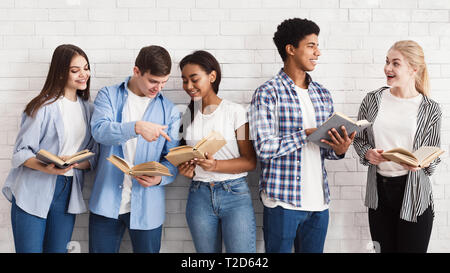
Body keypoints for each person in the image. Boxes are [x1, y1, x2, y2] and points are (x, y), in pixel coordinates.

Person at [248, 18, 354, 253]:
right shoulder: (267, 93)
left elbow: (326, 150)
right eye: (311, 45)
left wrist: (340, 149)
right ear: (291, 49)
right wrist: (304, 134)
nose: (318, 52)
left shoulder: (322, 94)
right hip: (282, 202)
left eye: (317, 46)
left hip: (319, 203)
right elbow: (263, 148)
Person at [2, 44, 97, 253]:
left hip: (67, 190)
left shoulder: (89, 109)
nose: (84, 74)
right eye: (75, 70)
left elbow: (93, 155)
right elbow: (21, 152)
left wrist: (73, 163)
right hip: (34, 187)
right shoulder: (42, 106)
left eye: (86, 68)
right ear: (61, 73)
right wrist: (48, 167)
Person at [88, 45, 180, 253]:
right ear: (136, 71)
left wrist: (160, 178)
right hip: (106, 203)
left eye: (163, 82)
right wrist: (136, 127)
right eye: (153, 81)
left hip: (148, 208)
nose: (158, 88)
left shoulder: (170, 111)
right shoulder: (108, 95)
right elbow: (99, 131)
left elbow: (172, 159)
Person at [353, 40, 441, 253]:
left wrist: (421, 164)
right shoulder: (372, 100)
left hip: (414, 195)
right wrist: (368, 154)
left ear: (413, 69)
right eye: (386, 62)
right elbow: (359, 138)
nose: (388, 68)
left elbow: (434, 156)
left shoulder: (430, 109)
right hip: (379, 194)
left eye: (395, 63)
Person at [177, 50, 257, 253]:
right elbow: (185, 157)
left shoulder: (235, 112)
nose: (188, 86)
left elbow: (250, 161)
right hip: (199, 194)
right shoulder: (187, 115)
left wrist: (216, 165)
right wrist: (186, 170)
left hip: (235, 194)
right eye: (184, 80)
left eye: (194, 79)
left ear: (212, 76)